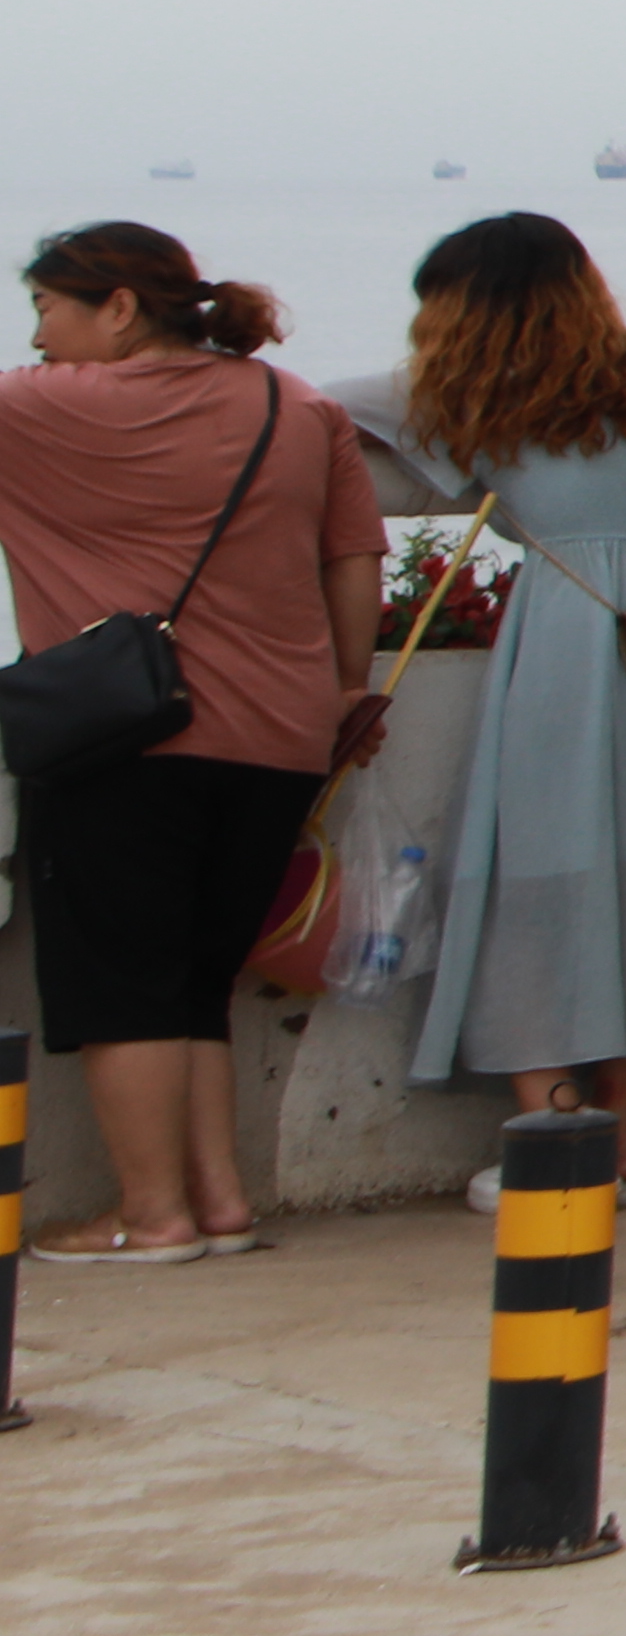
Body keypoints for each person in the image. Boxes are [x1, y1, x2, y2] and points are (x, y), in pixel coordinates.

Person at [343, 216, 626, 1203]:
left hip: (574, 641)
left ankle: (557, 1132)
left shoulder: (461, 390)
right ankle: (624, 1139)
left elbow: (302, 407)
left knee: (532, 875)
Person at [0, 223, 392, 1260]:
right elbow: (354, 556)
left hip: (122, 738)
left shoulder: (34, 408)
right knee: (199, 979)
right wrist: (348, 687)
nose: (35, 336)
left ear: (120, 307)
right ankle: (218, 1203)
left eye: (45, 308)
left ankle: (152, 1214)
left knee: (121, 988)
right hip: (280, 735)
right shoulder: (294, 405)